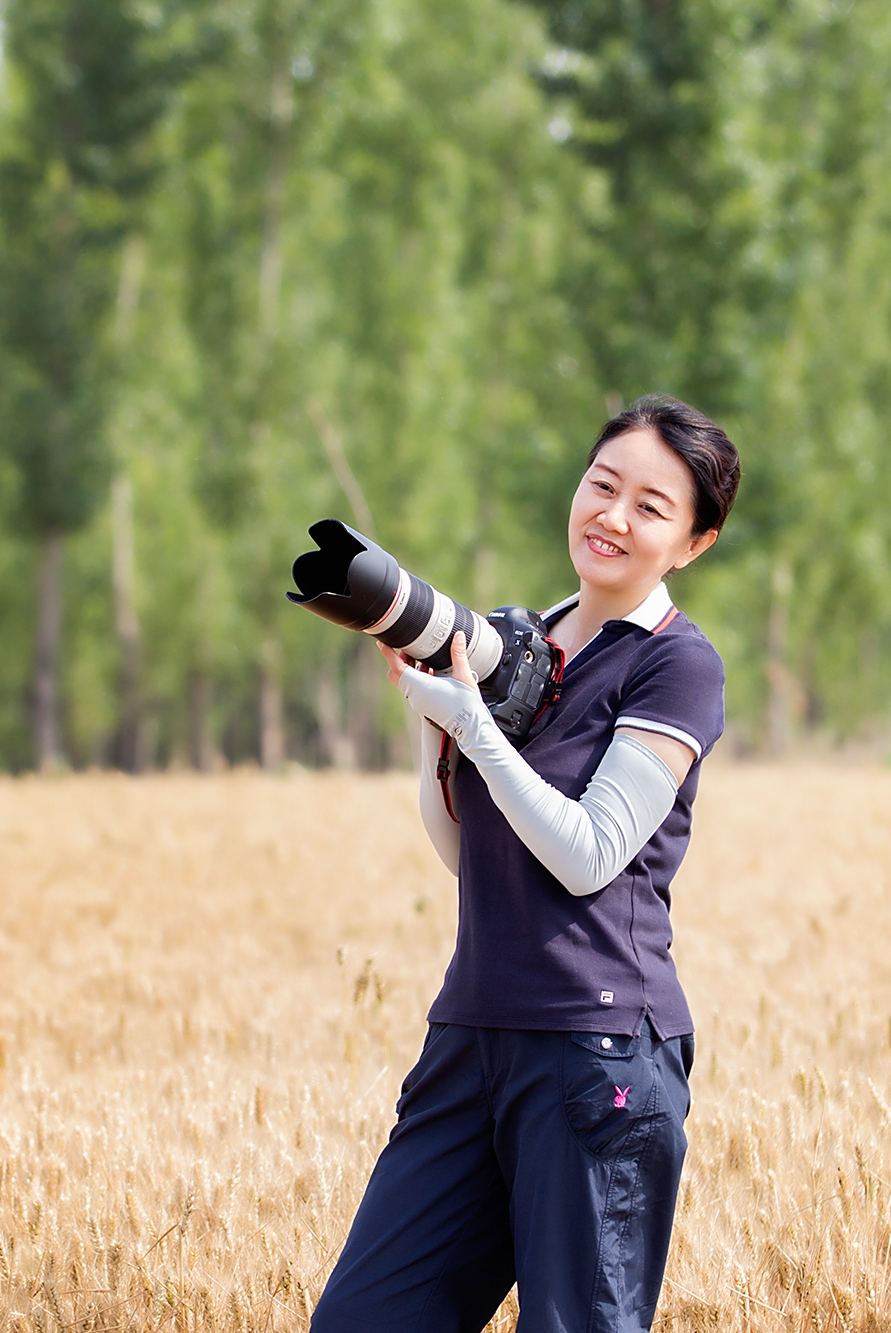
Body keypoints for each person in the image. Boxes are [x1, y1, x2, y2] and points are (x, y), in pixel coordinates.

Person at [311, 394, 741, 1333]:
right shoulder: (521, 641)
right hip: (472, 1032)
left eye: (651, 507)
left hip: (596, 1055)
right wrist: (439, 736)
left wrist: (479, 730)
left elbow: (589, 855)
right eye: (602, 485)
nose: (612, 516)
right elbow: (472, 853)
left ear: (694, 543)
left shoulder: (676, 666)